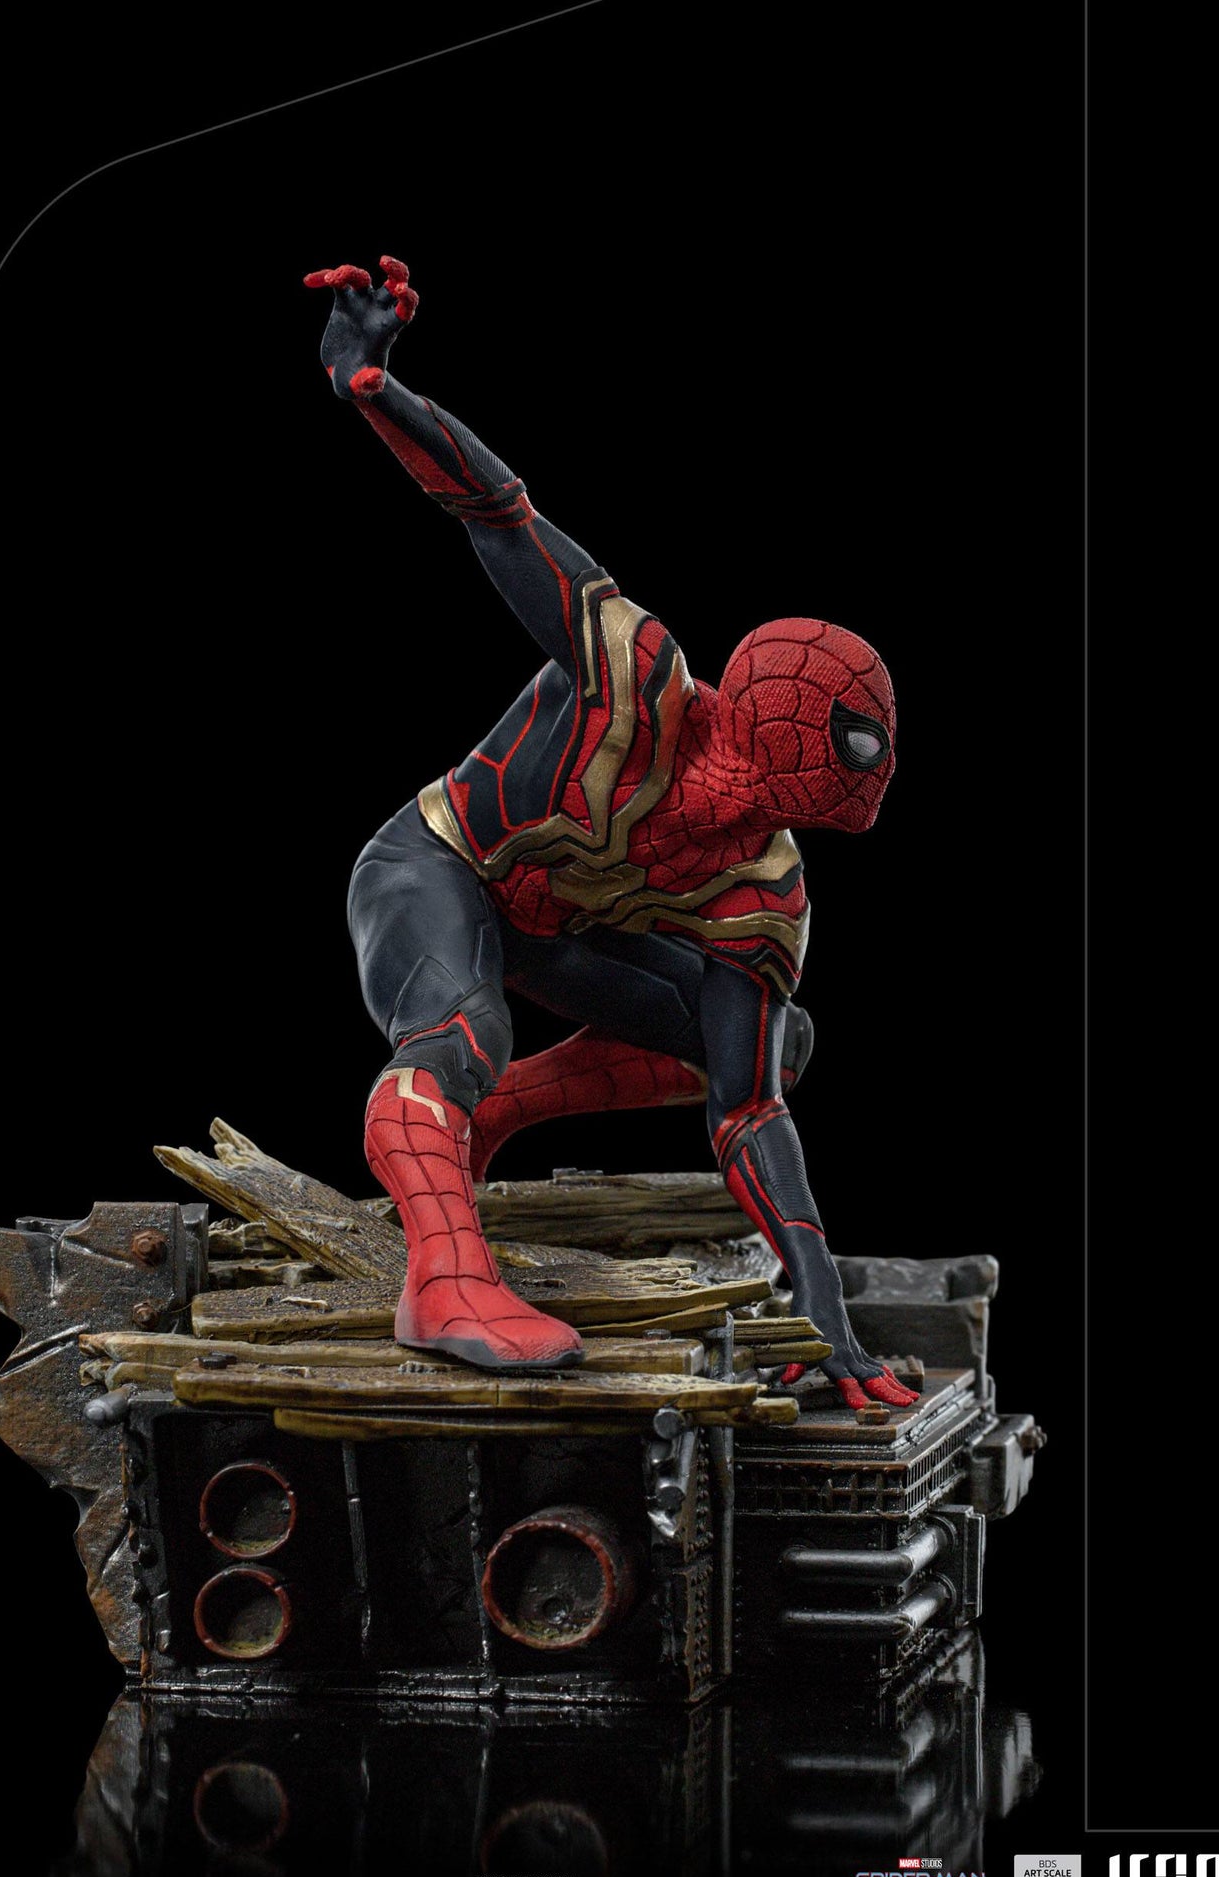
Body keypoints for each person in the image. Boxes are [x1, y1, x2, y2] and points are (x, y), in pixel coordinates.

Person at [305, 255, 916, 1410]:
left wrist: (822, 1313)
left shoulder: (761, 887)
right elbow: (499, 516)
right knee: (460, 1029)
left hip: (551, 930)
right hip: (439, 864)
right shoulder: (634, 681)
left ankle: (490, 1115)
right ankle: (443, 1279)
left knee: (772, 1049)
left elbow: (746, 1111)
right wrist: (373, 387)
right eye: (845, 742)